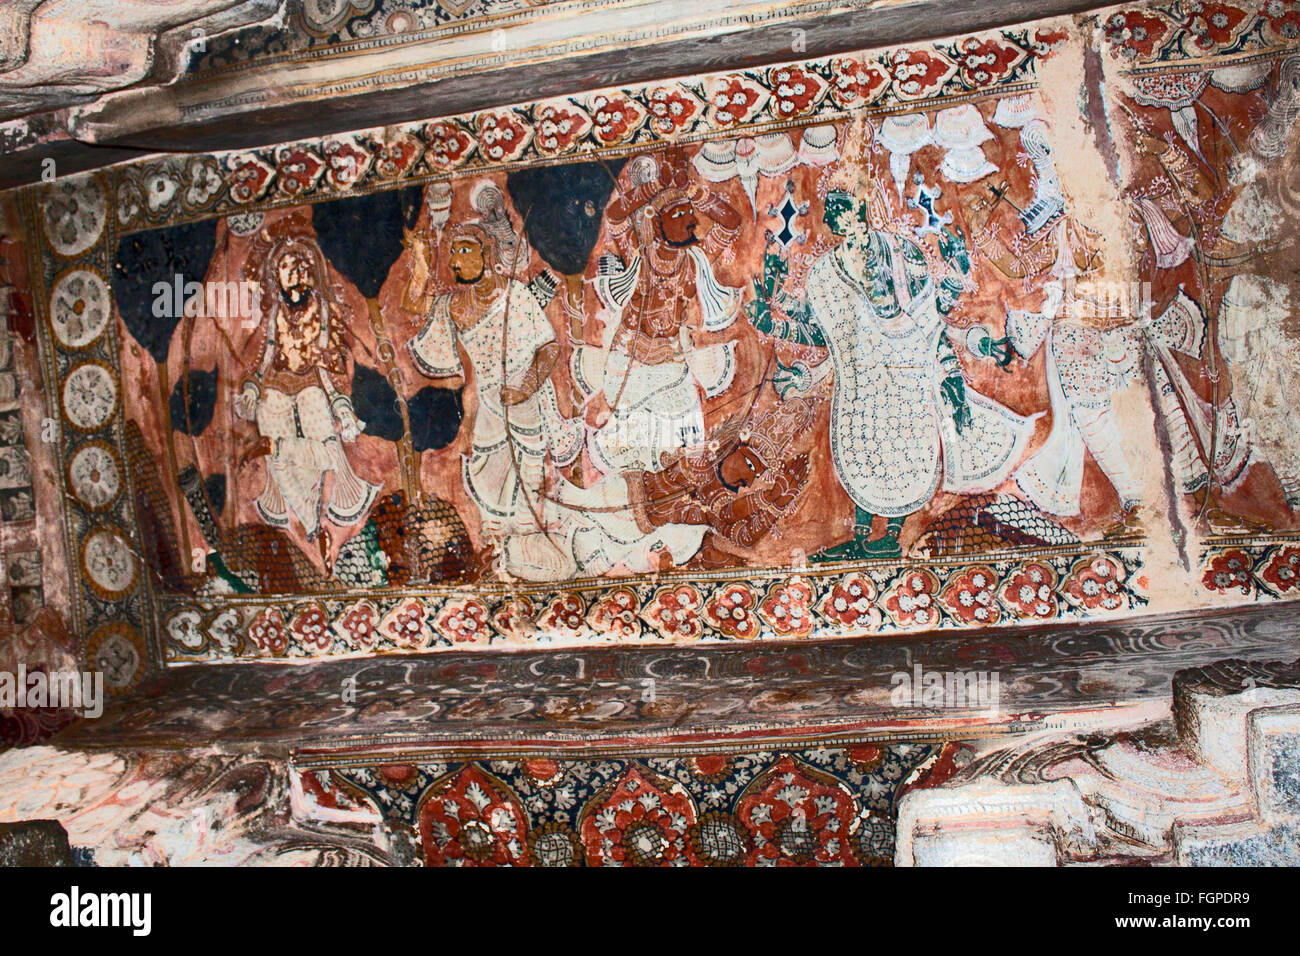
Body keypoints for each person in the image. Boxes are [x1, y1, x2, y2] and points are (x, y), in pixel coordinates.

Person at [756, 187, 1034, 559]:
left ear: (860, 211)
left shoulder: (902, 254)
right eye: (830, 212)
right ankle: (859, 538)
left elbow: (932, 318)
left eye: (839, 209)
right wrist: (774, 317)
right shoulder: (825, 274)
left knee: (903, 453)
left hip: (907, 374)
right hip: (861, 382)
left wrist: (953, 366)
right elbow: (826, 330)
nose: (830, 218)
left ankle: (891, 535)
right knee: (862, 452)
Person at [407, 185, 582, 579]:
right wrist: (420, 258)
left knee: (529, 487)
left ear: (485, 253)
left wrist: (523, 389)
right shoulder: (455, 307)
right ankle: (500, 564)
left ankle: (535, 558)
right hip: (487, 407)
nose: (455, 260)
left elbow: (548, 350)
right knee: (487, 486)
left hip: (525, 399)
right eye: (452, 254)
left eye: (464, 250)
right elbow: (416, 308)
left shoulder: (516, 297)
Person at [576, 147, 742, 475]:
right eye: (679, 214)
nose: (693, 221)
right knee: (629, 452)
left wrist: (690, 190)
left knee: (689, 448)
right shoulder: (640, 257)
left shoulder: (696, 260)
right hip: (629, 363)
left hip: (670, 362)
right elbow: (616, 217)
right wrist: (654, 189)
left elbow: (731, 221)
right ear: (658, 220)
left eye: (690, 213)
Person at [234, 216, 379, 571]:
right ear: (276, 277)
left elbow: (329, 365)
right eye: (286, 267)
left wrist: (342, 408)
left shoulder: (323, 310)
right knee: (281, 455)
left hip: (313, 385)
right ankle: (314, 529)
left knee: (328, 452)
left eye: (301, 266)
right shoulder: (275, 316)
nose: (295, 273)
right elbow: (264, 360)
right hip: (276, 391)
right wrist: (252, 389)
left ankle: (279, 452)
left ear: (312, 272)